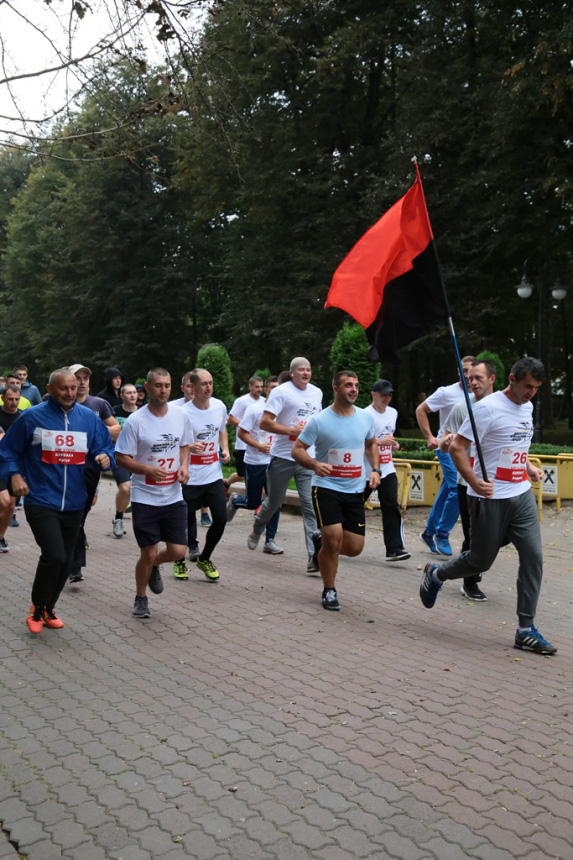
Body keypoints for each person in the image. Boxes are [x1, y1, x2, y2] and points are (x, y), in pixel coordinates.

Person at [420, 357, 556, 655]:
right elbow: (457, 447)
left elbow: (516, 444)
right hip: (488, 497)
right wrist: (473, 481)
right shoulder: (486, 409)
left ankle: (525, 629)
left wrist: (529, 467)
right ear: (511, 378)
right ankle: (436, 575)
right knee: (481, 560)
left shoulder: (528, 407)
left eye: (536, 388)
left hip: (520, 495)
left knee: (533, 556)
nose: (531, 392)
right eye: (527, 386)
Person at [0, 368, 114, 633]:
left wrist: (104, 457)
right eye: (63, 388)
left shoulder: (87, 418)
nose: (70, 393)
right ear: (50, 390)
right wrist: (14, 475)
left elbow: (104, 446)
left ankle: (48, 607)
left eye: (73, 388)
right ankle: (37, 608)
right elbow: (6, 452)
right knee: (54, 555)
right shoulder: (31, 417)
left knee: (67, 560)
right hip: (41, 498)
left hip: (75, 501)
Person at [292, 370, 380, 610]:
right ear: (336, 389)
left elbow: (371, 443)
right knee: (334, 540)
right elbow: (297, 449)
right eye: (348, 385)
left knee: (354, 548)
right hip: (326, 488)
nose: (354, 389)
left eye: (356, 385)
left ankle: (319, 543)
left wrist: (375, 470)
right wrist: (314, 464)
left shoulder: (365, 418)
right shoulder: (319, 421)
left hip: (355, 490)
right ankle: (329, 590)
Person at [115, 368, 192, 618]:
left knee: (179, 551)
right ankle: (140, 598)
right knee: (147, 552)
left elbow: (184, 445)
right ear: (146, 389)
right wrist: (147, 469)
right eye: (158, 385)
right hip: (144, 496)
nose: (163, 390)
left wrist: (183, 466)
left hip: (173, 495)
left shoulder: (180, 415)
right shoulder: (136, 421)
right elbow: (121, 458)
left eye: (167, 385)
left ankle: (156, 565)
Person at [247, 357, 323, 571]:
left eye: (308, 370)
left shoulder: (316, 392)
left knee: (310, 507)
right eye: (301, 370)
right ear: (292, 373)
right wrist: (291, 431)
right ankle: (257, 528)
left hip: (307, 457)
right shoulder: (282, 392)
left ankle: (313, 557)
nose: (306, 373)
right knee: (274, 502)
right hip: (283, 456)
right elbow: (265, 422)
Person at [439, 359, 497, 601]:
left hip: (500, 484)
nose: (472, 382)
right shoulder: (463, 408)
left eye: (477, 378)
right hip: (469, 484)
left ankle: (474, 561)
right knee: (472, 536)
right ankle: (469, 582)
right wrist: (447, 440)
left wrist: (527, 466)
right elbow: (443, 444)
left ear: (492, 379)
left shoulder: (504, 405)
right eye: (469, 378)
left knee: (504, 534)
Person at [173, 368, 230, 582]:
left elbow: (221, 429)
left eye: (210, 383)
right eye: (203, 384)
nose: (208, 388)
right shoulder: (183, 413)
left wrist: (225, 449)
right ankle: (178, 561)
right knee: (183, 522)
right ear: (192, 388)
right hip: (190, 477)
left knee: (221, 519)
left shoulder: (219, 406)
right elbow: (175, 442)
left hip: (213, 475)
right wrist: (189, 445)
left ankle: (204, 558)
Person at [416, 355, 475, 556]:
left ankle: (429, 532)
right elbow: (421, 410)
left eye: (471, 371)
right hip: (446, 447)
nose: (467, 375)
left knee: (447, 490)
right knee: (456, 489)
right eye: (463, 370)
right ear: (458, 371)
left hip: (467, 450)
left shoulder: (479, 396)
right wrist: (430, 436)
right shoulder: (446, 392)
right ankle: (442, 534)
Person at [68, 364, 121, 581]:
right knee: (74, 517)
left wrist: (92, 430)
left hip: (90, 469)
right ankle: (75, 566)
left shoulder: (98, 404)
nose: (81, 382)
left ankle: (72, 555)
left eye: (85, 378)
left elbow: (117, 429)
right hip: (64, 468)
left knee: (81, 513)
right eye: (77, 378)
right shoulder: (54, 402)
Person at [227, 376, 281, 552]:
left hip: (275, 462)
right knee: (253, 502)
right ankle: (235, 501)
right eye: (272, 388)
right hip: (255, 461)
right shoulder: (254, 409)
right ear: (266, 390)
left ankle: (269, 540)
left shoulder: (284, 410)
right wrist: (259, 446)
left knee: (275, 501)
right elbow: (242, 433)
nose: (275, 391)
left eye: (278, 388)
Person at [363, 379, 410, 562]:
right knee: (352, 506)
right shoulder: (364, 415)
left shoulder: (393, 413)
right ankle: (334, 536)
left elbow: (388, 437)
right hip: (365, 470)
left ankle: (394, 549)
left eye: (389, 395)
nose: (387, 398)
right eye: (383, 395)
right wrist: (380, 442)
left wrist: (394, 445)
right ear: (373, 394)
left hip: (386, 468)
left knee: (391, 505)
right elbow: (359, 440)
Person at [171, 373, 211, 527]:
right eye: (188, 386)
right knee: (187, 498)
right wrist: (190, 446)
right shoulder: (174, 408)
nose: (192, 390)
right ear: (183, 388)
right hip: (182, 459)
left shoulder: (210, 405)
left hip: (205, 457)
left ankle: (205, 512)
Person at [226, 376, 264, 490]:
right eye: (257, 386)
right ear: (250, 386)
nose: (259, 389)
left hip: (259, 443)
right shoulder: (242, 401)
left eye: (261, 387)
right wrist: (246, 425)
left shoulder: (264, 401)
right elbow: (231, 419)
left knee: (260, 474)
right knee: (241, 475)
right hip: (243, 444)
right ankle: (226, 484)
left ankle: (256, 502)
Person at [112, 382, 139, 537]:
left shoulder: (143, 413)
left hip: (138, 458)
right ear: (121, 396)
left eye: (134, 392)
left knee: (133, 491)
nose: (132, 395)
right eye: (128, 393)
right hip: (119, 457)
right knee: (125, 488)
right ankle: (118, 519)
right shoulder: (114, 412)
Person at [0, 384, 24, 550]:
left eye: (17, 399)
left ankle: (1, 536)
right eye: (10, 399)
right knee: (5, 501)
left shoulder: (23, 418)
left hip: (15, 468)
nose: (14, 402)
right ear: (2, 398)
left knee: (10, 506)